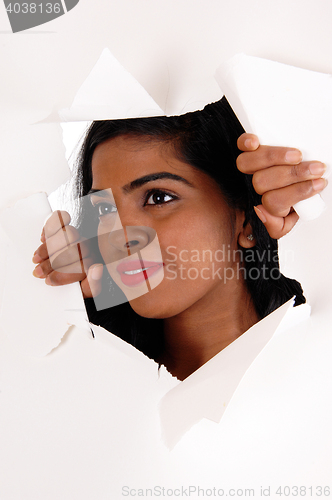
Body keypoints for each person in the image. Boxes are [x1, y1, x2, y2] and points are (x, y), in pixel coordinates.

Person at [32, 98, 327, 380]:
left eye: (158, 197)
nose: (119, 236)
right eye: (105, 209)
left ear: (247, 219)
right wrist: (56, 309)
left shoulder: (317, 364)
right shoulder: (92, 382)